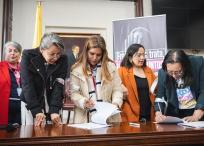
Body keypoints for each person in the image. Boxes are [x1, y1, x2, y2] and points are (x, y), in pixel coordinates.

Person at [70, 35, 123, 123]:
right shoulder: (76, 69)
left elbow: (117, 89)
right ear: (86, 52)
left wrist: (116, 103)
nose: (95, 58)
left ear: (103, 54)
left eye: (98, 55)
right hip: (85, 118)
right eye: (92, 53)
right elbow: (74, 93)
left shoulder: (111, 67)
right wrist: (83, 101)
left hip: (109, 117)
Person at [20, 33, 68, 126]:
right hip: (31, 102)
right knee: (31, 134)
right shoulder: (28, 56)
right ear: (42, 49)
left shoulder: (63, 59)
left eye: (58, 53)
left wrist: (54, 109)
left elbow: (58, 85)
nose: (56, 57)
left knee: (53, 134)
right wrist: (36, 110)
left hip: (53, 102)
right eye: (52, 54)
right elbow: (27, 85)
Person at [155, 50, 204, 123]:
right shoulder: (162, 72)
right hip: (175, 114)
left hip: (197, 111)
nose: (174, 76)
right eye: (170, 72)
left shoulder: (198, 63)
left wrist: (198, 113)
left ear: (185, 66)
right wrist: (158, 113)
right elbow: (160, 97)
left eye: (178, 72)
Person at [118, 43, 156, 122]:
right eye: (139, 55)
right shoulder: (122, 71)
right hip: (130, 115)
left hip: (149, 115)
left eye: (143, 55)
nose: (142, 58)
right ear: (130, 57)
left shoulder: (149, 71)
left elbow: (156, 90)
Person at [0, 41, 22, 126]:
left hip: (23, 108)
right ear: (5, 53)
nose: (12, 53)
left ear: (19, 54)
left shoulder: (25, 68)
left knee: (23, 134)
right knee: (5, 135)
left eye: (15, 51)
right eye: (10, 51)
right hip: (5, 107)